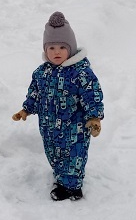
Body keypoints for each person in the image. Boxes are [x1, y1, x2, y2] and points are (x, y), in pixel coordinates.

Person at [12, 11, 104, 201]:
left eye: (62, 47)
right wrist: (26, 109)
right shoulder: (41, 72)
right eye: (51, 47)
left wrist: (94, 117)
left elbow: (91, 95)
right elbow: (35, 93)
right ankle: (62, 178)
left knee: (73, 157)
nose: (56, 51)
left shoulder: (81, 72)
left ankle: (72, 187)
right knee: (55, 155)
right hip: (49, 128)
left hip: (74, 128)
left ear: (71, 48)